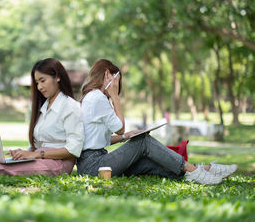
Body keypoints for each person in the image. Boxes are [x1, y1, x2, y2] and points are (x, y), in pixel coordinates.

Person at [76, 59, 237, 185]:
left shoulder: (92, 97)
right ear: (107, 78)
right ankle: (196, 171)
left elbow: (97, 139)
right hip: (94, 165)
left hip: (93, 162)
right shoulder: (97, 97)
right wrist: (115, 98)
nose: (117, 86)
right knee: (143, 141)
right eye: (115, 82)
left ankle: (201, 170)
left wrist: (126, 136)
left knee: (147, 161)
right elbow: (119, 128)